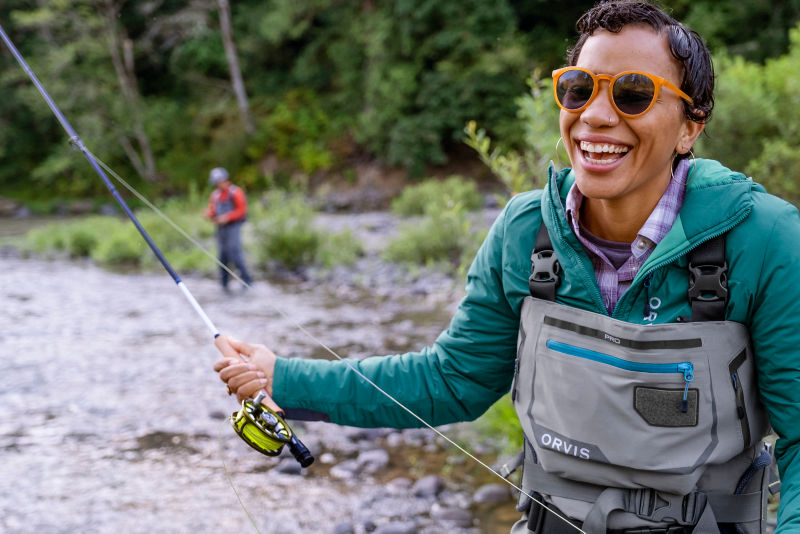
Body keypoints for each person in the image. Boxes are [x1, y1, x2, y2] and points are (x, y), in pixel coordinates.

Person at [212, 2, 800, 532]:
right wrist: (282, 379)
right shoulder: (524, 231)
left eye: (633, 93)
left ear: (691, 125)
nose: (594, 116)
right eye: (577, 89)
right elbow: (451, 380)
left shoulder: (766, 239)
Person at [206, 167, 253, 292]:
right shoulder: (215, 195)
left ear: (224, 179)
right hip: (220, 229)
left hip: (233, 227)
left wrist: (227, 217)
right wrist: (210, 214)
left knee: (235, 254)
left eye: (218, 181)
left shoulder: (236, 192)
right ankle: (224, 285)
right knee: (222, 256)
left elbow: (242, 211)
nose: (217, 185)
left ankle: (247, 283)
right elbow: (212, 209)